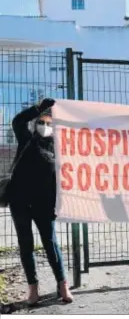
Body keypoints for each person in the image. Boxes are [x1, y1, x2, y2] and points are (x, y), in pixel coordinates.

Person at [8, 98, 73, 306]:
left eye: (50, 124)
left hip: (44, 204)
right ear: (36, 124)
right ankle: (33, 288)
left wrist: (57, 205)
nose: (45, 127)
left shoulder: (59, 148)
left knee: (50, 244)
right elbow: (17, 121)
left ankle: (62, 285)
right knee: (25, 244)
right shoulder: (26, 138)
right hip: (19, 202)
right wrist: (37, 108)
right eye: (41, 122)